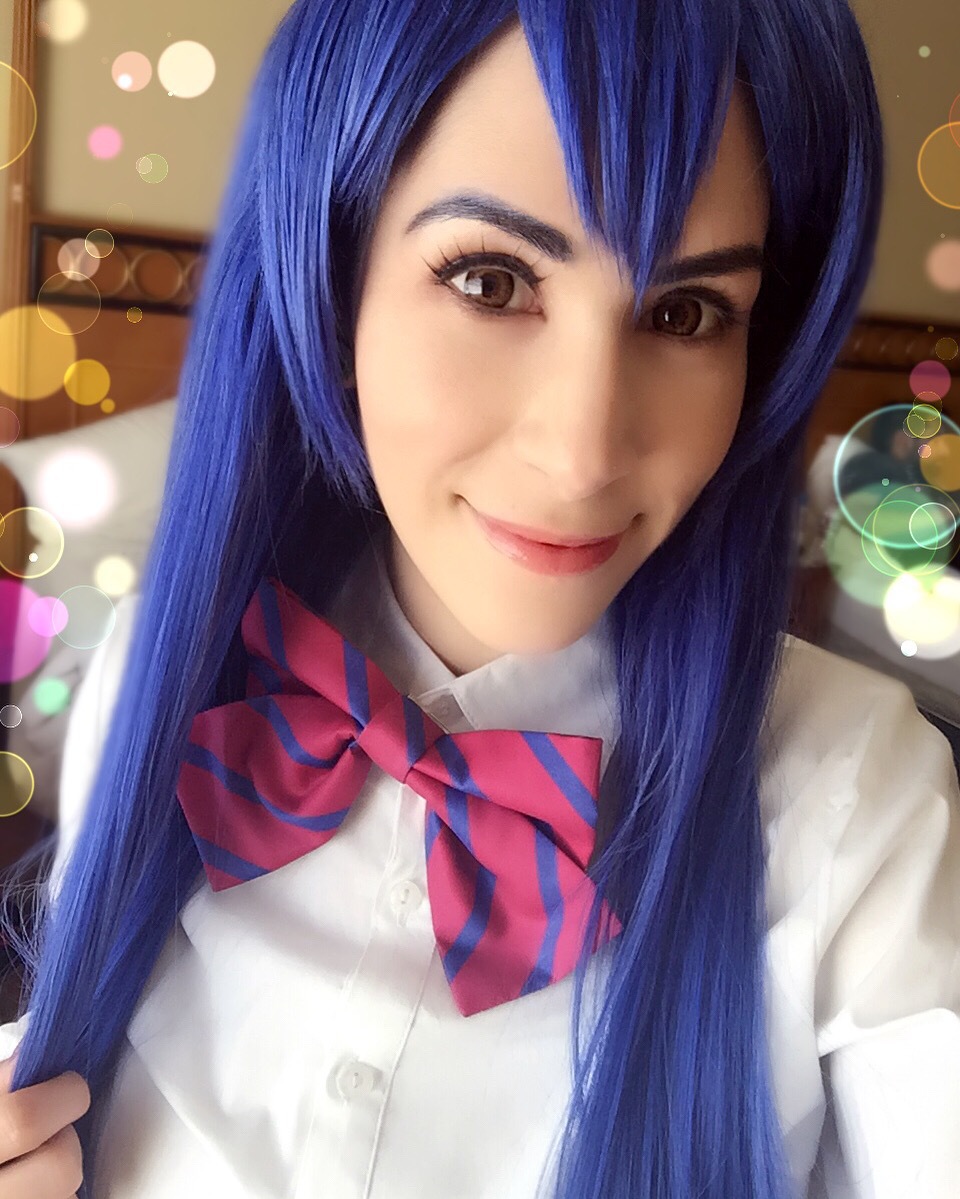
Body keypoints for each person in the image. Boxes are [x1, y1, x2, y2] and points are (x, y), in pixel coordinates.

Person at [1, 1, 958, 1196]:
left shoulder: (862, 799)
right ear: (330, 276)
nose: (584, 453)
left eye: (685, 313)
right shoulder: (160, 672)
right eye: (491, 280)